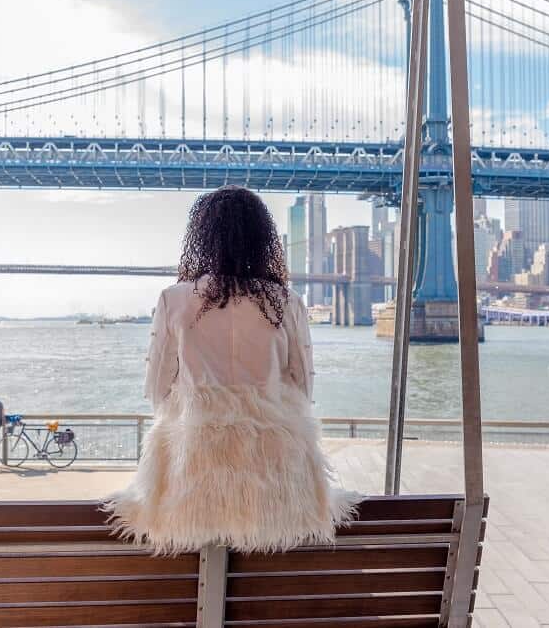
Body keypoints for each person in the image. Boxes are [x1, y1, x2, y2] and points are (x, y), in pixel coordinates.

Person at [104, 186, 360, 555]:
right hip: (280, 494)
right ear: (263, 240)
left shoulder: (173, 300)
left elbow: (157, 389)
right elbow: (303, 387)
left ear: (201, 238)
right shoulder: (287, 303)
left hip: (191, 492)